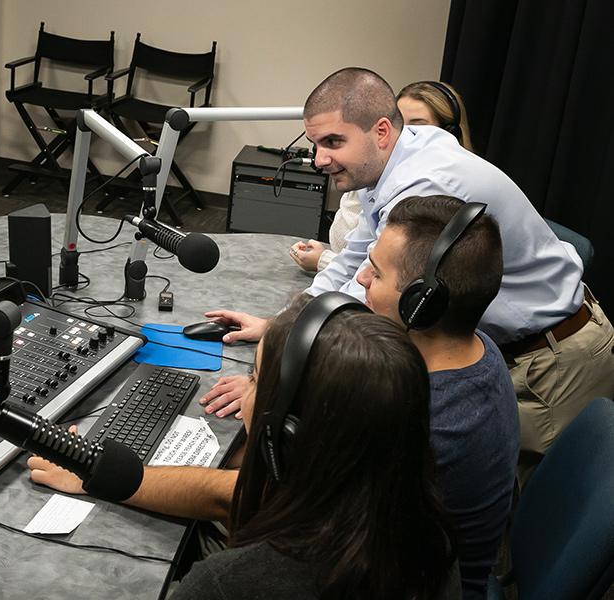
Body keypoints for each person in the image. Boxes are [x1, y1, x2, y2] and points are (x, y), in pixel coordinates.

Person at [208, 67, 614, 473]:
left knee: (518, 518)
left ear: (382, 131)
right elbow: (356, 260)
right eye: (315, 143)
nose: (320, 159)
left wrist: (272, 383)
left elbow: (373, 307)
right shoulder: (399, 156)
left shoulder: (427, 183)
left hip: (551, 361)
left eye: (333, 142)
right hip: (522, 347)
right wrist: (281, 327)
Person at [34, 295, 461, 599]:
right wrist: (103, 473)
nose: (246, 391)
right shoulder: (421, 524)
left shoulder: (231, 585)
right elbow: (231, 495)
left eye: (255, 379)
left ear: (288, 432)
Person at [356, 195, 518, 599]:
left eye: (375, 273)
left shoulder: (429, 424)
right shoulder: (479, 348)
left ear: (420, 303)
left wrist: (265, 406)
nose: (361, 278)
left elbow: (291, 511)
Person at [289, 80, 473, 274]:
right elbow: (352, 254)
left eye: (417, 128)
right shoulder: (374, 179)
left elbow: (385, 278)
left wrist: (324, 260)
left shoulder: (430, 186)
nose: (404, 136)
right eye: (401, 125)